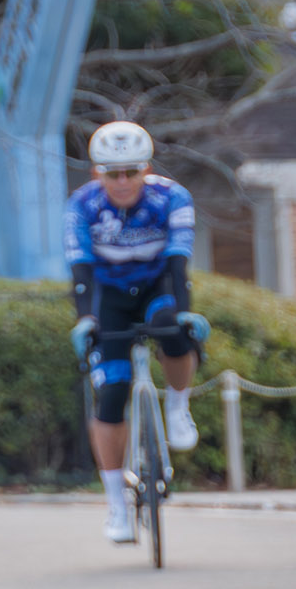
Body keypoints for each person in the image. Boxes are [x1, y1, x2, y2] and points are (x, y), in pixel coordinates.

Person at [65, 120, 211, 543]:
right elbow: (80, 269)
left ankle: (178, 406)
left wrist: (185, 312)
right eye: (112, 173)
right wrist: (85, 320)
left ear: (147, 168)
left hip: (156, 287)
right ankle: (116, 505)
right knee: (112, 392)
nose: (123, 182)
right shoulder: (81, 205)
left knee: (172, 330)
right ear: (97, 173)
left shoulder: (172, 198)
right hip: (107, 296)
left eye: (132, 171)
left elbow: (179, 261)